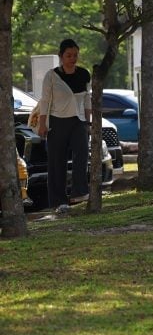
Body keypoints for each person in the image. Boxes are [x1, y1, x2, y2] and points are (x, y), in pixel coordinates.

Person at [36, 39, 92, 209]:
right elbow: (45, 101)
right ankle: (58, 200)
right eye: (69, 55)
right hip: (57, 121)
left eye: (75, 55)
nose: (72, 58)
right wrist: (42, 124)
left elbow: (87, 99)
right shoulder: (51, 76)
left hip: (79, 121)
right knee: (56, 161)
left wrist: (88, 123)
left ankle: (79, 193)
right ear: (61, 56)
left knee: (82, 154)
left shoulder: (84, 74)